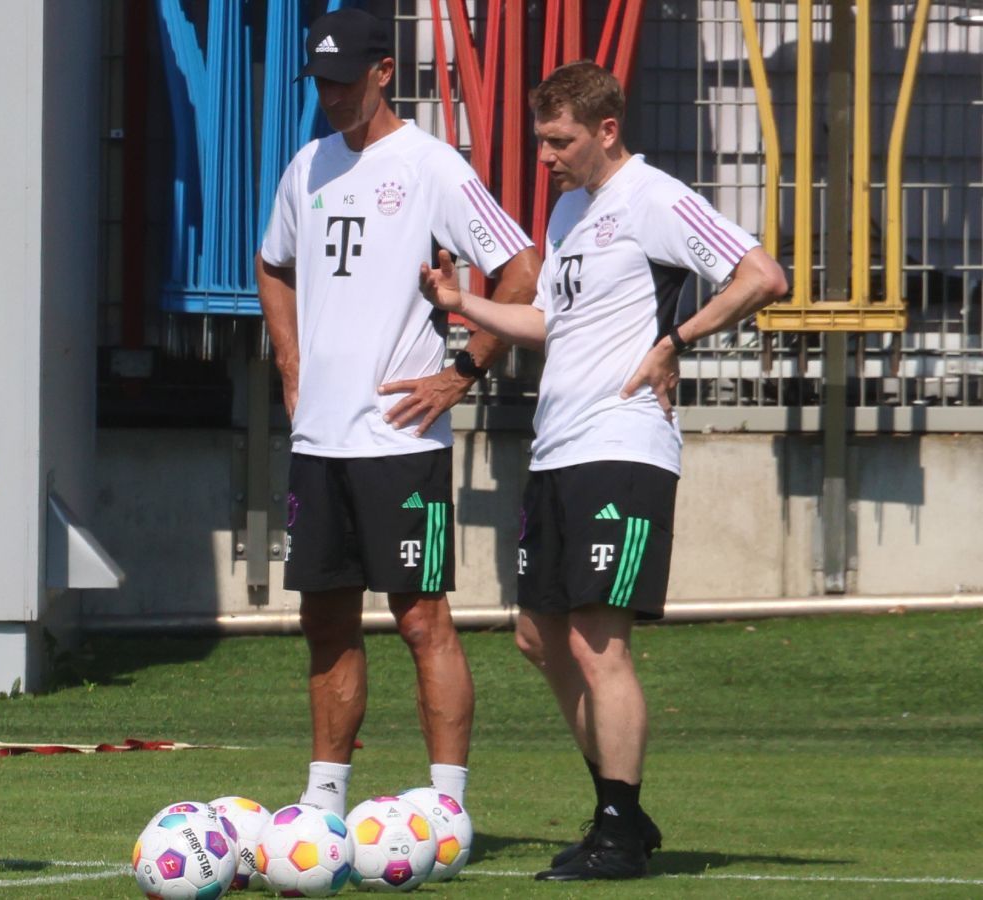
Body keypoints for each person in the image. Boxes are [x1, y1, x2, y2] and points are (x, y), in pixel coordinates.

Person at [420, 60, 789, 880]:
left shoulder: (654, 198)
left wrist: (677, 340)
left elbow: (762, 275)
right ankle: (621, 809)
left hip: (622, 446)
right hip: (559, 446)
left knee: (597, 643)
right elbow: (554, 321)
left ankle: (618, 829)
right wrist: (464, 304)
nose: (545, 155)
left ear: (607, 130)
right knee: (535, 635)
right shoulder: (569, 209)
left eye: (559, 140)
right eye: (541, 138)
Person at [257, 7, 540, 818]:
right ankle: (322, 804)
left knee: (421, 620)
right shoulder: (305, 165)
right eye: (321, 81)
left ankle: (448, 808)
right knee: (324, 622)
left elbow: (519, 267)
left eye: (346, 80)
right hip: (319, 438)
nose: (333, 95)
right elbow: (272, 263)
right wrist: (288, 358)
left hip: (399, 437)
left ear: (385, 72)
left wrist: (461, 373)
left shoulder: (431, 167)